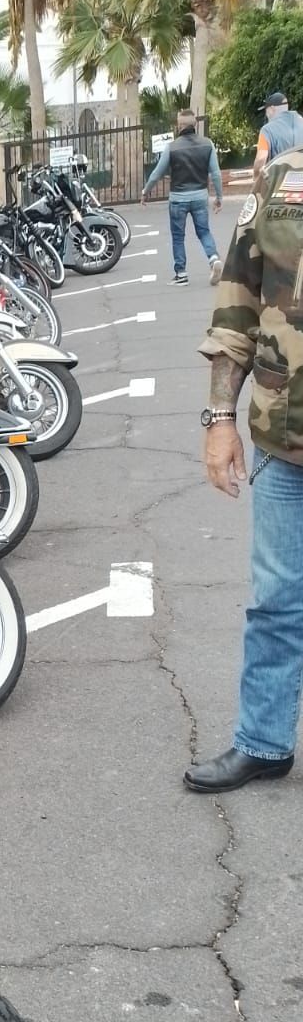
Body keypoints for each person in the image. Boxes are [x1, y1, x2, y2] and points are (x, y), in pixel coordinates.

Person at [185, 143, 303, 792]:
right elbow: (237, 305)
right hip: (286, 442)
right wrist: (219, 419)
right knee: (278, 602)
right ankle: (265, 741)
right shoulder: (283, 178)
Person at [139, 110, 224, 287]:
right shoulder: (207, 144)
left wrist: (145, 191)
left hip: (178, 198)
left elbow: (157, 173)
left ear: (179, 126)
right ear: (195, 124)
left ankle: (181, 274)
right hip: (200, 196)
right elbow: (215, 173)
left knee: (178, 237)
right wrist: (219, 196)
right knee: (204, 231)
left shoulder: (172, 147)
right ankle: (213, 258)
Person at [252, 92, 303, 185]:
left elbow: (260, 160)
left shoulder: (267, 130)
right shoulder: (301, 121)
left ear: (272, 109)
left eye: (266, 111)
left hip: (281, 183)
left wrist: (255, 178)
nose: (266, 114)